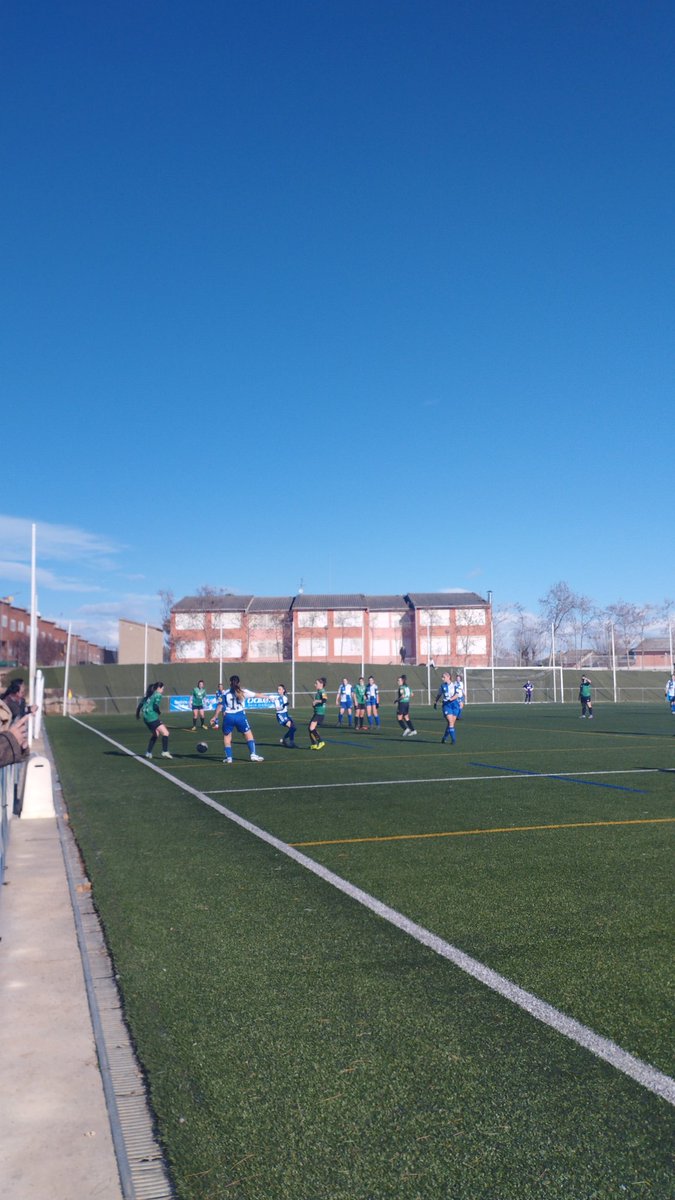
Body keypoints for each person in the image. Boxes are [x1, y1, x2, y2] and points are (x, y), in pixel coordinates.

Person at [220, 675, 265, 764]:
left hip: (229, 716)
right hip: (240, 716)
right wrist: (270, 697)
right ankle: (253, 755)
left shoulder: (225, 693)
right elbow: (257, 695)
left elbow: (221, 706)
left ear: (230, 683)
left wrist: (215, 717)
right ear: (239, 683)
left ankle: (229, 758)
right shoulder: (243, 692)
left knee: (227, 737)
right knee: (248, 735)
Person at [136, 682, 173, 759]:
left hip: (146, 718)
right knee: (166, 733)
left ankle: (148, 752)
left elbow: (139, 706)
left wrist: (137, 714)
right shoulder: (158, 695)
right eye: (162, 689)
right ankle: (165, 751)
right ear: (158, 688)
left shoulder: (149, 695)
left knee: (156, 734)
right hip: (152, 717)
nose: (163, 690)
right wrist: (159, 712)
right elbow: (155, 706)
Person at [434, 671, 460, 744]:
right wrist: (435, 702)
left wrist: (451, 699)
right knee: (451, 722)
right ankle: (453, 740)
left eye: (444, 677)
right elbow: (439, 694)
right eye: (442, 677)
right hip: (446, 705)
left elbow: (457, 695)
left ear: (448, 677)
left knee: (450, 724)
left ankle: (444, 738)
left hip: (455, 705)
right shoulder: (442, 686)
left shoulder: (455, 685)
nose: (442, 678)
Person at [309, 677, 327, 750]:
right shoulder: (318, 692)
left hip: (320, 713)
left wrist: (316, 701)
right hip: (317, 712)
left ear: (321, 684)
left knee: (312, 728)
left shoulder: (323, 691)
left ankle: (321, 742)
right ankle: (314, 744)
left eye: (316, 683)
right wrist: (314, 705)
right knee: (310, 729)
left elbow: (324, 700)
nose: (315, 684)